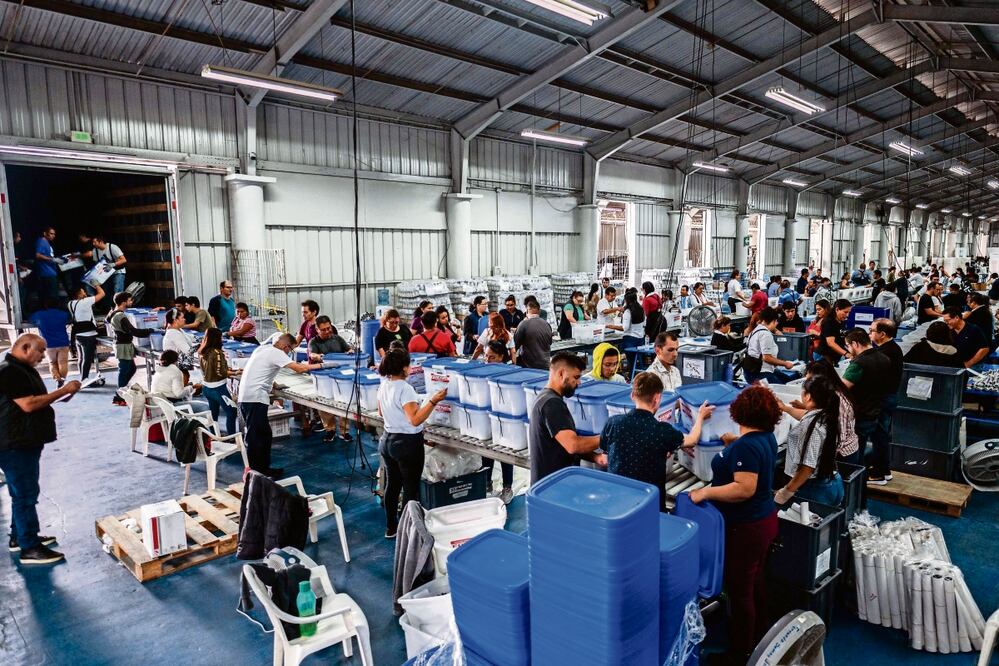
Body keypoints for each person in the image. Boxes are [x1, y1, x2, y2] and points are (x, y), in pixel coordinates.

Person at [688, 386, 780, 662]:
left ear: (740, 412)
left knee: (740, 590)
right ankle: (760, 633)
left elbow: (744, 488)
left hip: (745, 526)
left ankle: (741, 653)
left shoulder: (747, 445)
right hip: (764, 520)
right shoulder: (765, 438)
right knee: (755, 581)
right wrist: (732, 448)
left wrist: (704, 492)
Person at [0, 334, 81, 564]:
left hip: (23, 440)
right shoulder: (10, 371)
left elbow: (35, 400)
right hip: (15, 444)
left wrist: (57, 398)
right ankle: (29, 547)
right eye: (41, 350)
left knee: (22, 492)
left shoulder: (20, 369)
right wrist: (63, 390)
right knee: (25, 494)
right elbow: (28, 404)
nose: (43, 356)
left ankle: (20, 536)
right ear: (26, 347)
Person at [601, 372, 713, 510]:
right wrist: (700, 416)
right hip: (649, 504)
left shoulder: (613, 422)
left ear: (632, 396)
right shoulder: (662, 430)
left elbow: (606, 456)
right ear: (657, 398)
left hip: (616, 501)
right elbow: (692, 440)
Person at [375, 348, 448, 537]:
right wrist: (433, 401)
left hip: (387, 441)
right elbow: (415, 420)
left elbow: (381, 412)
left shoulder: (384, 384)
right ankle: (410, 532)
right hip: (407, 444)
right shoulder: (405, 389)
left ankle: (391, 527)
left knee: (392, 485)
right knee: (410, 489)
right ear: (405, 368)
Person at [237, 333, 324, 477]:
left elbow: (261, 371)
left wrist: (274, 384)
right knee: (256, 437)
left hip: (247, 396)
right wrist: (321, 365)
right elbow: (299, 368)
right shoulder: (276, 353)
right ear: (285, 346)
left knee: (262, 435)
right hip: (254, 399)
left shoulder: (262, 349)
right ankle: (255, 473)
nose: (289, 353)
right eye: (290, 350)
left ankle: (262, 469)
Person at [528, 352, 604, 483]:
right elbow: (573, 445)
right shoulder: (552, 404)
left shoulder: (545, 397)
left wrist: (595, 457)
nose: (579, 383)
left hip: (551, 483)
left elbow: (564, 443)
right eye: (576, 377)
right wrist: (607, 436)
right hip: (552, 486)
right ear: (561, 373)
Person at [776, 376, 845, 507]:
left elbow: (807, 468)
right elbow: (805, 415)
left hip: (815, 488)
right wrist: (786, 408)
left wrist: (786, 491)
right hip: (833, 482)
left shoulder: (812, 427)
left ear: (808, 397)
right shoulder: (826, 414)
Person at [840, 328, 890, 483]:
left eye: (848, 346)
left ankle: (856, 492)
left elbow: (843, 387)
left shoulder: (859, 363)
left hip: (860, 415)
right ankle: (878, 474)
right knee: (877, 444)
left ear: (855, 344)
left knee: (856, 457)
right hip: (876, 410)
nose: (848, 350)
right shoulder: (884, 358)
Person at [798, 360, 860, 463]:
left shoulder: (838, 400)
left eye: (810, 381)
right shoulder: (829, 394)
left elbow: (840, 437)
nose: (808, 385)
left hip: (843, 455)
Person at [480, 344, 517, 503]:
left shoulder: (509, 374)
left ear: (502, 357)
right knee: (486, 452)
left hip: (505, 419)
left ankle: (507, 487)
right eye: (486, 356)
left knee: (505, 454)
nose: (487, 360)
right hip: (487, 416)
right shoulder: (481, 372)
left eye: (492, 357)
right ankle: (487, 484)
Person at [308, 316, 353, 442]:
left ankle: (345, 431)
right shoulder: (314, 342)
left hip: (340, 376)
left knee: (344, 402)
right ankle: (330, 429)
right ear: (317, 330)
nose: (328, 331)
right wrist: (318, 356)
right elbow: (312, 354)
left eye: (329, 328)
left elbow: (348, 348)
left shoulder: (337, 338)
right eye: (324, 330)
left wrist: (350, 351)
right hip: (324, 378)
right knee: (325, 403)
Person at [868, 319, 903, 482]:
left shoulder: (886, 352)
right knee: (881, 434)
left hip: (883, 398)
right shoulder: (892, 348)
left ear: (882, 334)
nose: (870, 333)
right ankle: (885, 470)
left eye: (872, 330)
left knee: (879, 435)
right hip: (888, 397)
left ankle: (878, 473)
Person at [107, 291, 152, 405]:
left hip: (123, 344)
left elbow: (107, 320)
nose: (131, 302)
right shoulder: (120, 316)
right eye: (130, 300)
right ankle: (120, 395)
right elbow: (135, 331)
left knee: (131, 368)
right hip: (123, 346)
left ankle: (123, 391)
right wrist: (151, 331)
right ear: (123, 302)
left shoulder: (113, 312)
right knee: (123, 370)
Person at [198, 328, 239, 435]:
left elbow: (214, 369)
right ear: (217, 338)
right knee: (232, 412)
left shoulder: (202, 351)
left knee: (213, 414)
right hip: (218, 389)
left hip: (206, 388)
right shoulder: (217, 353)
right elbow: (220, 372)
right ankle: (232, 437)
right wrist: (235, 373)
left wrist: (229, 370)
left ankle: (214, 435)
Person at [743, 307, 796, 384]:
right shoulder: (765, 334)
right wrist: (785, 363)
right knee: (785, 386)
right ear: (774, 321)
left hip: (751, 371)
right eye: (776, 321)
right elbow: (766, 358)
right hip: (760, 373)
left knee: (787, 380)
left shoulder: (755, 330)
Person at [29, 298, 71, 388]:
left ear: (46, 305)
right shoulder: (63, 314)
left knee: (52, 363)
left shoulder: (39, 314)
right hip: (63, 342)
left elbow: (30, 319)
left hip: (48, 344)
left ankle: (57, 379)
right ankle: (62, 381)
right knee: (63, 363)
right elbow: (69, 319)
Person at [68, 282, 104, 381]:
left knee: (81, 358)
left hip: (78, 334)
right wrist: (96, 285)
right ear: (79, 294)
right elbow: (102, 294)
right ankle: (84, 379)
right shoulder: (86, 301)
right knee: (87, 359)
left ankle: (82, 377)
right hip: (88, 335)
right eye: (83, 292)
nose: (85, 294)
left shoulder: (70, 303)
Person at [514, 300, 553, 370]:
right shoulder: (546, 324)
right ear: (539, 311)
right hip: (545, 364)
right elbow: (550, 342)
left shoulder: (523, 324)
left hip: (529, 366)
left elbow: (515, 345)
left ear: (526, 312)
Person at [817, 299, 851, 365]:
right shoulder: (829, 322)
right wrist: (846, 354)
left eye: (849, 312)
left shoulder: (841, 321)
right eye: (845, 312)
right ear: (837, 309)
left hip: (835, 355)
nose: (847, 315)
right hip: (824, 355)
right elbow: (831, 343)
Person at [33, 227, 60, 307]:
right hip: (46, 273)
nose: (53, 236)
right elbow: (37, 255)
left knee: (51, 295)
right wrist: (53, 260)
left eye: (54, 234)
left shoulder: (47, 243)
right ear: (45, 233)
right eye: (51, 233)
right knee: (51, 296)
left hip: (50, 271)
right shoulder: (41, 241)